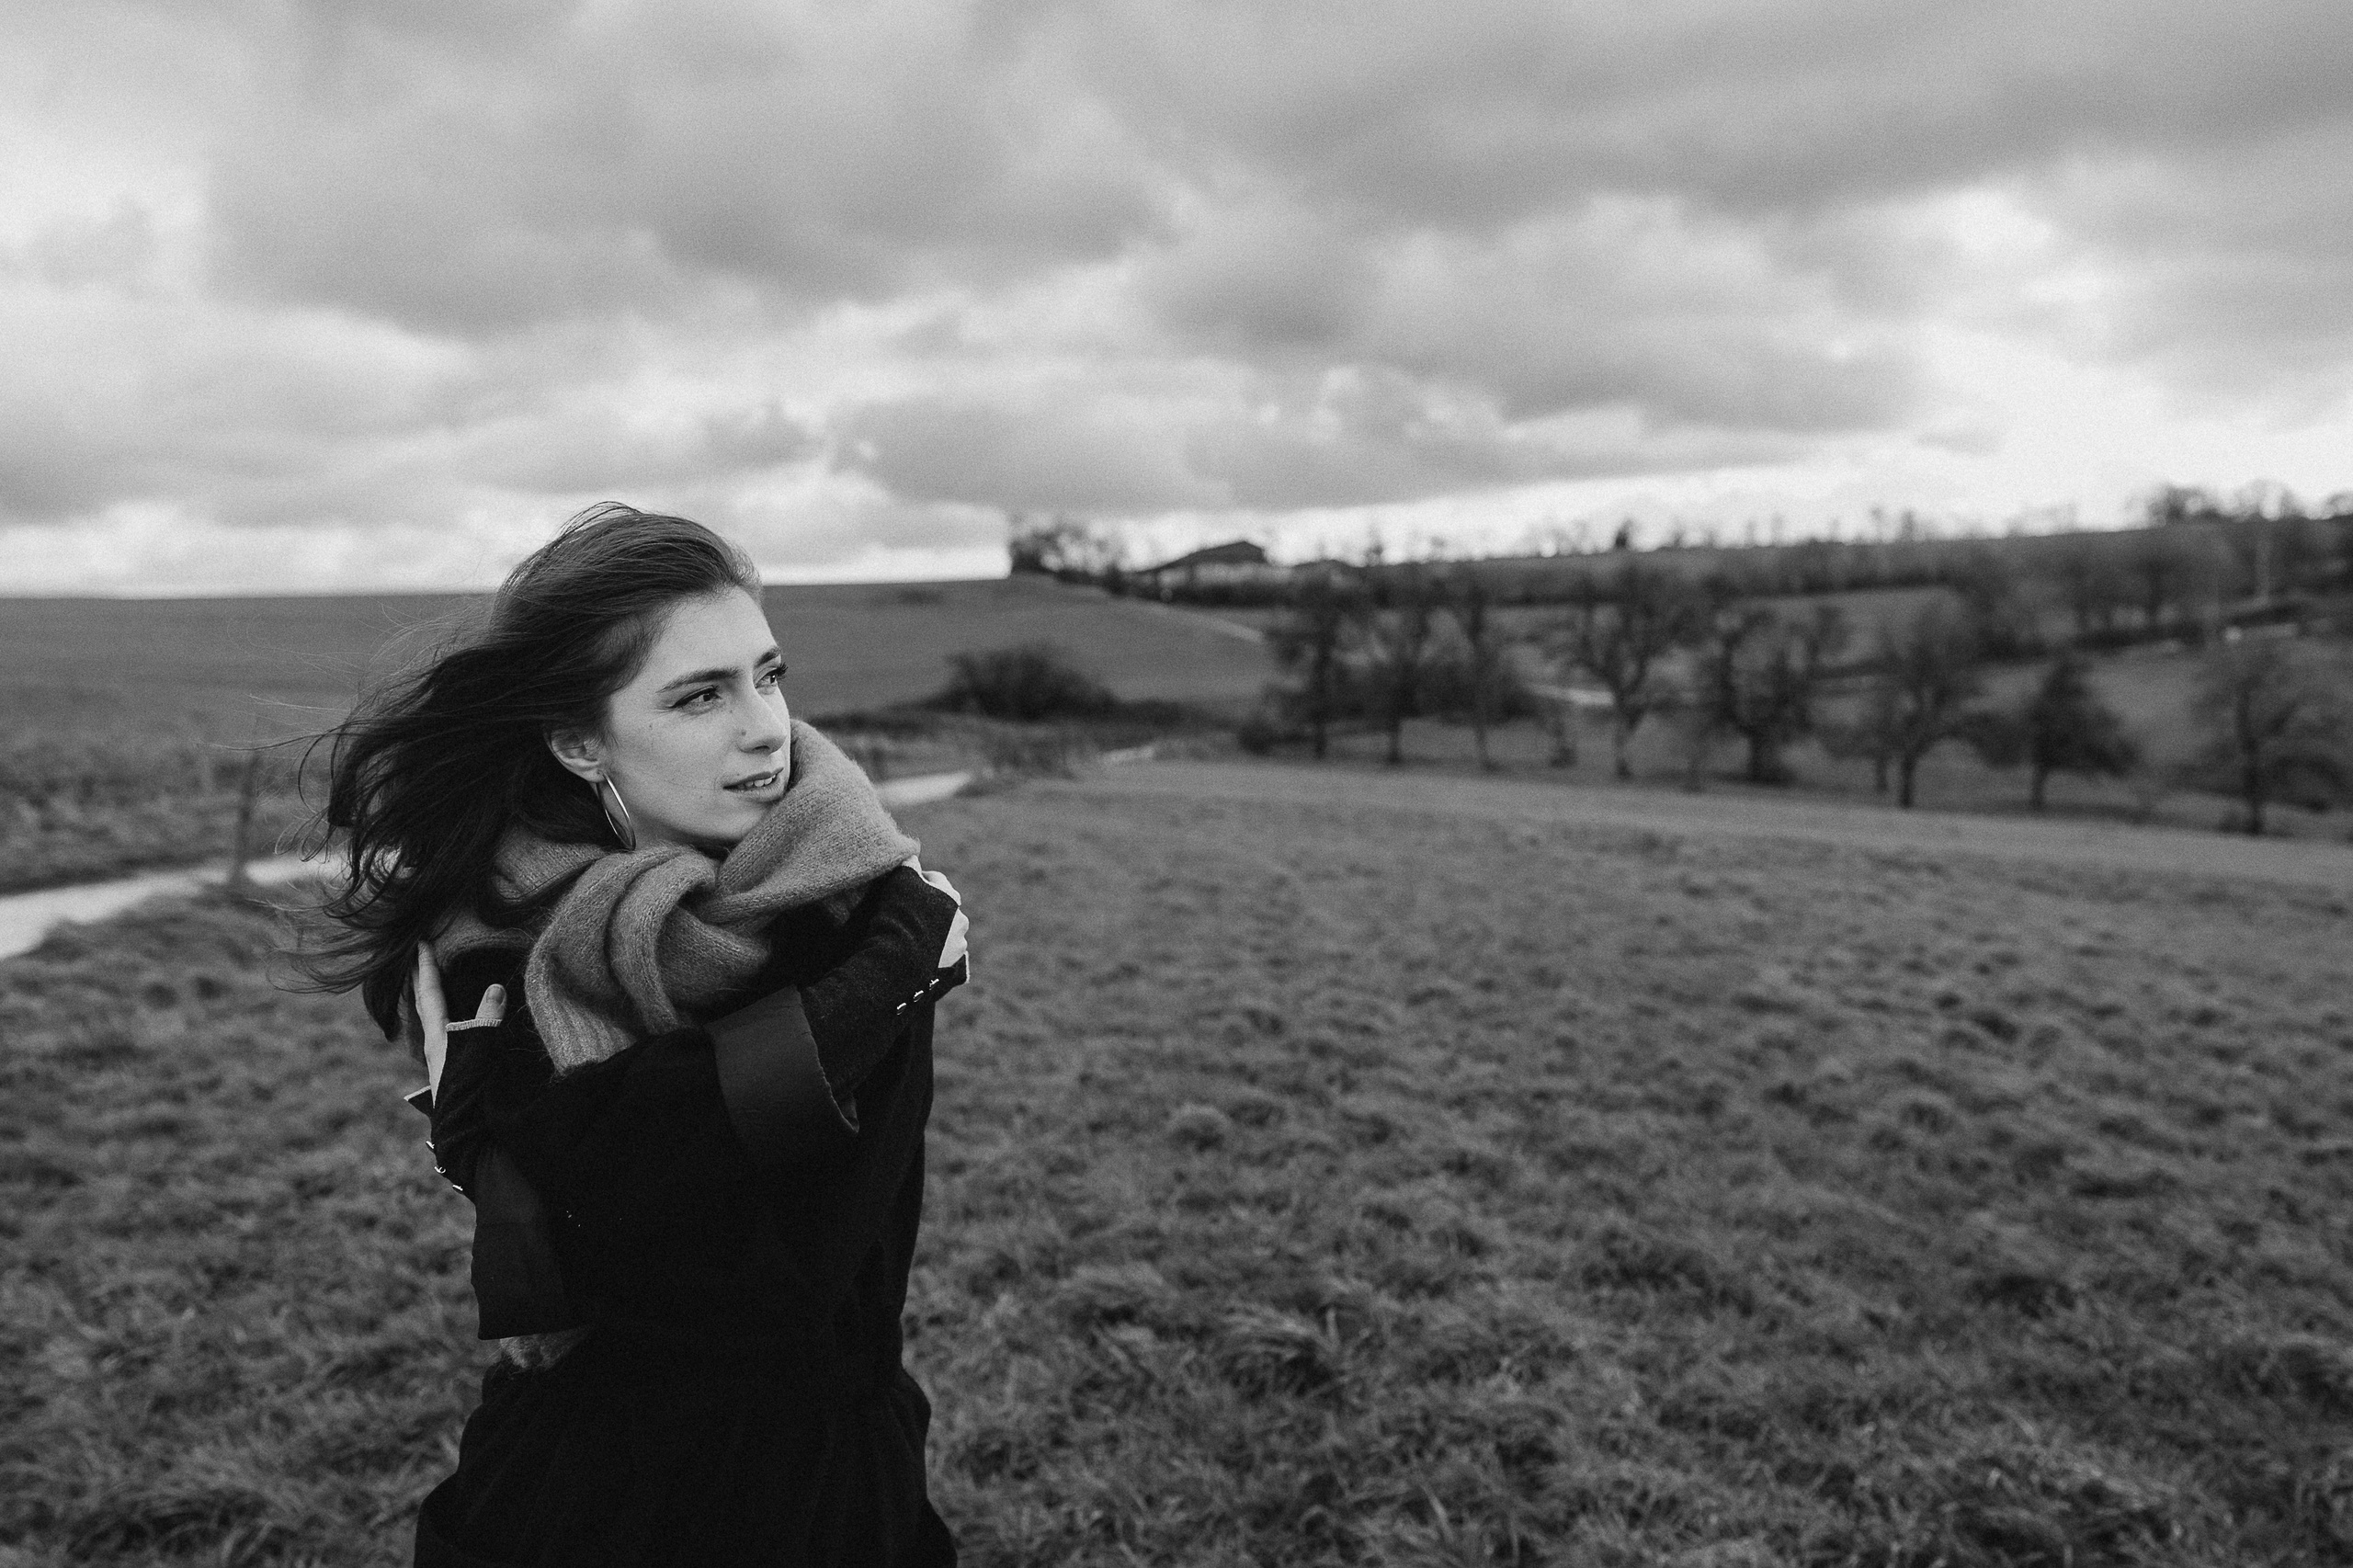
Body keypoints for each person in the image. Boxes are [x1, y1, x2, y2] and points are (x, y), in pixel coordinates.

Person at [305, 504, 969, 1567]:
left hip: (816, 1487)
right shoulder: (507, 932)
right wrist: (894, 972)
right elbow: (642, 1208)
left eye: (767, 675)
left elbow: (775, 1283)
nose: (766, 727)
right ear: (578, 739)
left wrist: (506, 1153)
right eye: (700, 695)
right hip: (580, 1487)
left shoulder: (845, 905)